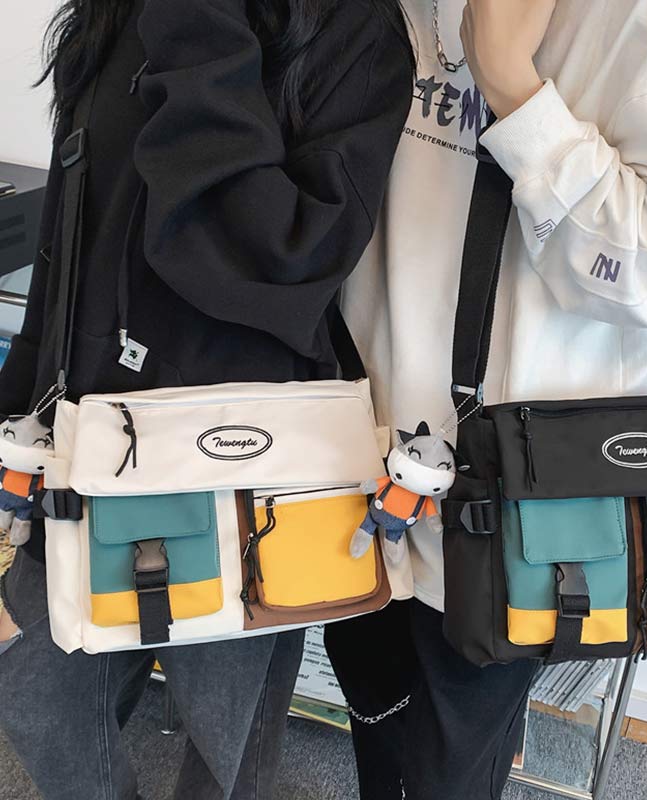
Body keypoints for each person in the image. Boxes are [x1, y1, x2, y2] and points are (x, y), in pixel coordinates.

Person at [325, 0, 647, 798]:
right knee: (375, 721)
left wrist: (515, 91)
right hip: (350, 451)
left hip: (509, 496)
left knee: (451, 767)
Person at [0, 0, 413, 797]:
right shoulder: (118, 12)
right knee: (38, 697)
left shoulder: (353, 28)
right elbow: (72, 226)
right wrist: (20, 399)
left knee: (224, 749)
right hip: (93, 444)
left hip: (243, 467)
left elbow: (273, 261)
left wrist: (198, 18)